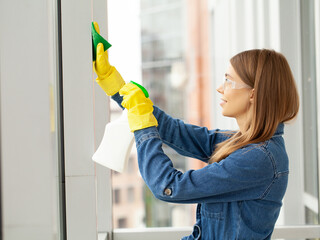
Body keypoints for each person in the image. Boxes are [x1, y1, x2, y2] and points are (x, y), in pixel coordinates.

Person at [93, 22, 299, 240]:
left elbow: (169, 187)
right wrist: (117, 87)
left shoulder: (258, 158)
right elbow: (176, 132)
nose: (221, 88)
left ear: (253, 94)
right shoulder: (245, 144)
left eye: (229, 81)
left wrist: (143, 127)